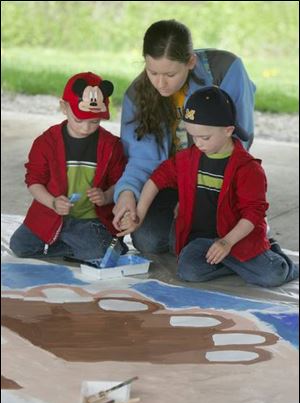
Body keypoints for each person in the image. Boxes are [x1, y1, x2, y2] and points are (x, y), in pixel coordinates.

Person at [117, 87, 298, 288]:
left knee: (271, 276)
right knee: (188, 270)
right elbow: (157, 179)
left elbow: (253, 214)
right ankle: (237, 266)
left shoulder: (248, 168)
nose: (198, 143)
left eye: (205, 137)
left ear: (228, 130)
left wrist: (227, 243)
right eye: (193, 136)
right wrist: (139, 213)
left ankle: (273, 256)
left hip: (238, 240)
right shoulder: (188, 158)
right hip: (201, 240)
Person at [113, 19, 256, 254]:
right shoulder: (137, 94)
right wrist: (128, 193)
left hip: (216, 177)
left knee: (204, 237)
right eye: (152, 72)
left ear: (190, 61)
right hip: (169, 182)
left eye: (170, 74)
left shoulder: (226, 69)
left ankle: (236, 229)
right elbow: (142, 160)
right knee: (148, 240)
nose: (160, 83)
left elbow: (239, 139)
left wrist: (194, 193)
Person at [10, 72, 128, 261]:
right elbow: (34, 182)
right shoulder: (46, 142)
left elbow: (121, 181)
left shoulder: (111, 145)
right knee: (20, 246)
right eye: (79, 120)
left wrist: (106, 196)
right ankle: (72, 243)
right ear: (64, 107)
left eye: (94, 122)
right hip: (50, 214)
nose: (85, 128)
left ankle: (77, 243)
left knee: (99, 253)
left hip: (89, 220)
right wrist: (53, 203)